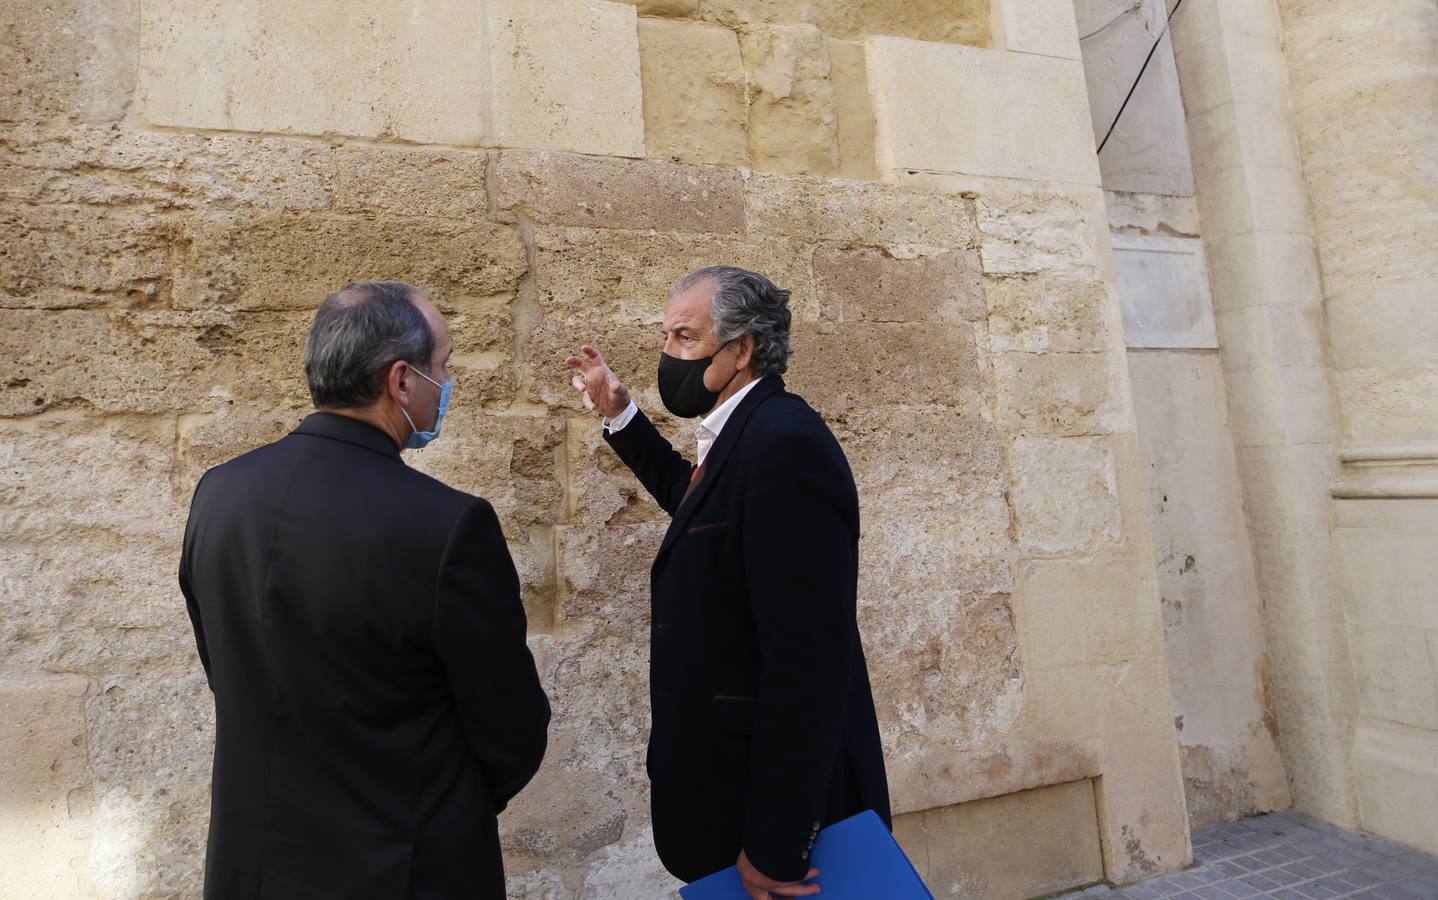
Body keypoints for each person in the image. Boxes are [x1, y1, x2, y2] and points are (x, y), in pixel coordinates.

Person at [180, 281, 550, 898]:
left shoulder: (219, 493)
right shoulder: (449, 525)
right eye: (444, 366)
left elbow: (228, 667)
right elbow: (511, 728)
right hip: (402, 866)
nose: (447, 382)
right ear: (401, 381)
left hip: (253, 866)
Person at [566, 266, 891, 899]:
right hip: (726, 794)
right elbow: (700, 509)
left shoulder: (785, 444)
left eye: (685, 338)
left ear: (741, 349)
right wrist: (621, 415)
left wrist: (777, 844)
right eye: (666, 336)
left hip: (773, 831)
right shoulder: (745, 433)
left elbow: (808, 663)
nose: (670, 355)